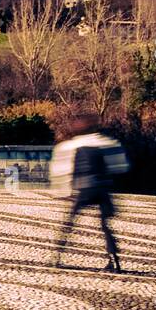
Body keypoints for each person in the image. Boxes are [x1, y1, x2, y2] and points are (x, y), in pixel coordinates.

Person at [50, 115, 129, 272]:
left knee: (69, 223)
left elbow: (61, 170)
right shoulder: (107, 143)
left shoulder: (69, 146)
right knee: (105, 226)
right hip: (103, 188)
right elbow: (121, 166)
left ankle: (57, 257)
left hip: (84, 189)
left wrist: (62, 190)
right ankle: (115, 261)